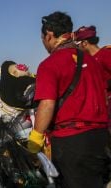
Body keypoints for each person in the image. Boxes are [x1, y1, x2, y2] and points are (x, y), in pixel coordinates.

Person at [27, 11, 110, 188]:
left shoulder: (49, 64)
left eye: (43, 39)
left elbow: (47, 103)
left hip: (71, 142)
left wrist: (35, 141)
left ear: (49, 35)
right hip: (100, 138)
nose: (43, 43)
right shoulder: (93, 61)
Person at [74, 26, 111, 133]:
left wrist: (102, 85)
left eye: (78, 44)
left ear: (84, 43)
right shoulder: (87, 60)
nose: (77, 48)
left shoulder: (105, 55)